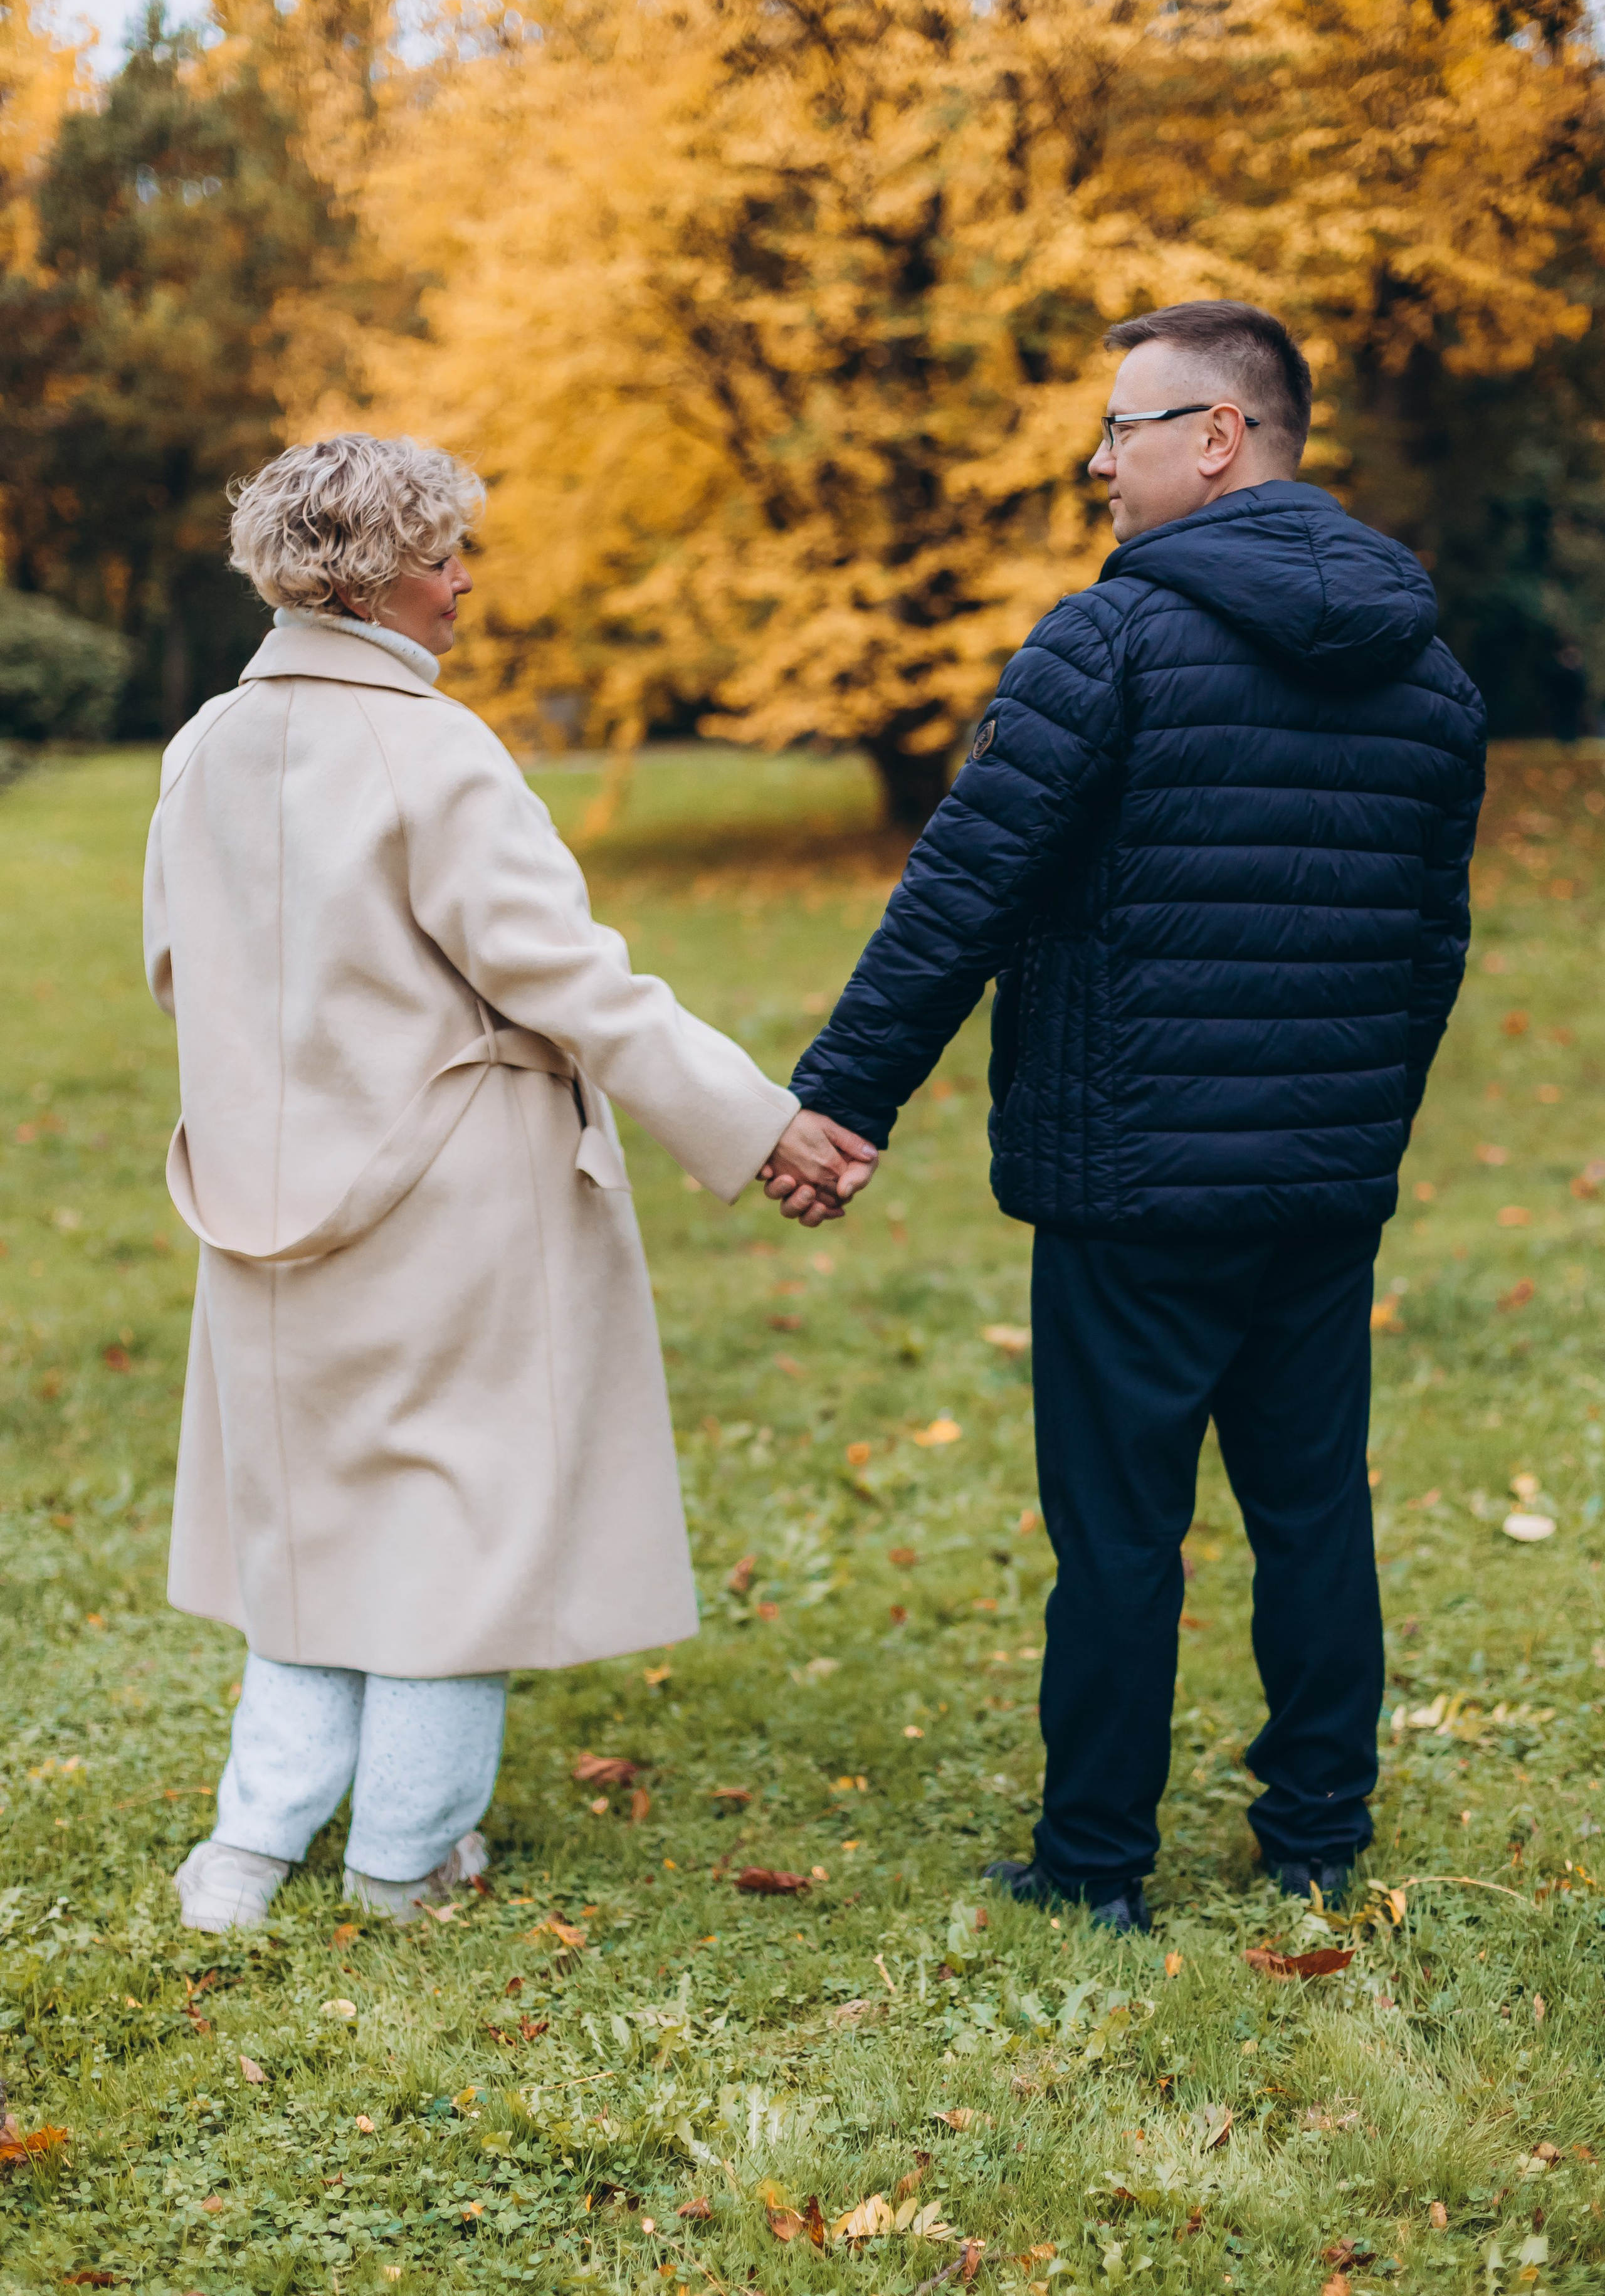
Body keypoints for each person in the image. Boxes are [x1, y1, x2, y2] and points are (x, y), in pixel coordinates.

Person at [782, 301, 1485, 1931]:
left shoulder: (1104, 645)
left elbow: (962, 892)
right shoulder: (1431, 676)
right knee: (1314, 1506)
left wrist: (840, 1100)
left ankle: (1095, 1864)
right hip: (1318, 1180)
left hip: (1134, 1179)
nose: (1100, 462)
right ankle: (1318, 1827)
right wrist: (1365, 1122)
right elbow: (1428, 952)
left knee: (1120, 1531)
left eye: (1125, 428)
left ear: (1220, 437)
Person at [148, 433, 876, 1932]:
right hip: (447, 1198)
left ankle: (243, 1858)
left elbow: (176, 969)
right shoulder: (433, 750)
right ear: (369, 576)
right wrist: (758, 1125)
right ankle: (405, 1857)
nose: (463, 578)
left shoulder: (204, 743)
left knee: (311, 1522)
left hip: (262, 1193)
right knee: (451, 1534)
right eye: (441, 553)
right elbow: (572, 983)